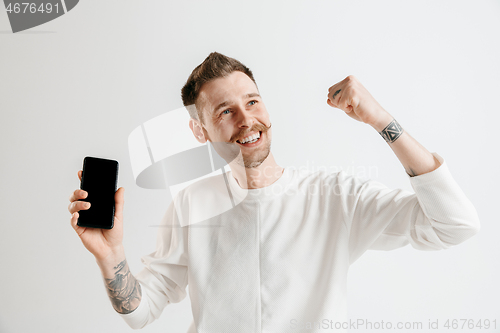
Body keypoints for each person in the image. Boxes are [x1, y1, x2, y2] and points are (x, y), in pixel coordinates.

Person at [68, 52, 480, 332]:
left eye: (252, 102)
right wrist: (111, 257)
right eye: (225, 111)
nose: (246, 120)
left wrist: (381, 120)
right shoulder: (190, 205)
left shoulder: (334, 196)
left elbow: (455, 225)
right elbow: (140, 312)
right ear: (200, 130)